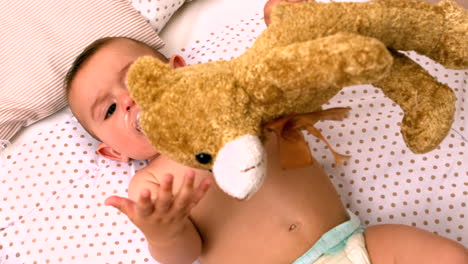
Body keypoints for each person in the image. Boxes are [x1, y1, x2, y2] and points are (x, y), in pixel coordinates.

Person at [65, 0, 468, 263]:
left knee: (444, 256)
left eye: (136, 81)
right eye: (111, 108)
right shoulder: (153, 185)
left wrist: (287, 31)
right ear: (113, 153)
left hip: (356, 244)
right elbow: (183, 254)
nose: (130, 101)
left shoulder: (248, 102)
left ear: (178, 72)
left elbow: (297, 82)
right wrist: (164, 230)